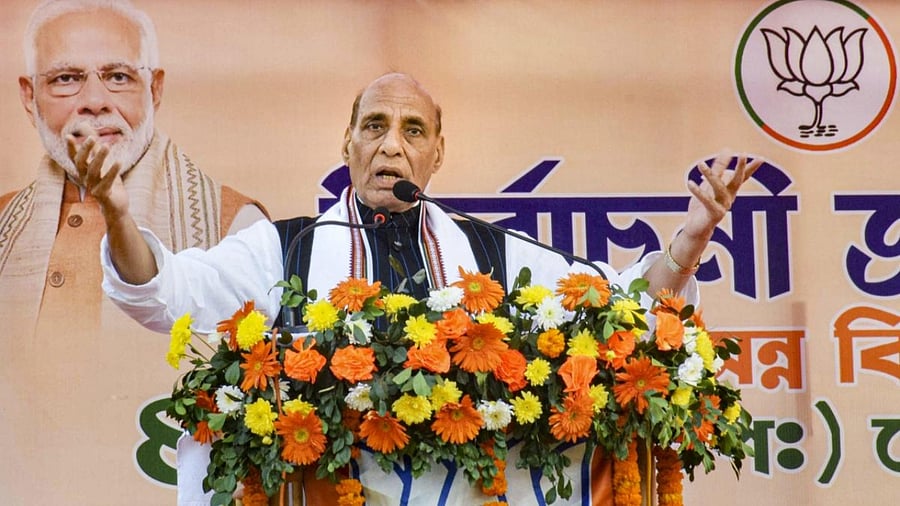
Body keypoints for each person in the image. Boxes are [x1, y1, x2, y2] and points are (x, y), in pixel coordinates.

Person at [90, 72, 761, 505]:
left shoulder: (493, 252)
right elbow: (164, 293)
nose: (391, 146)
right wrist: (120, 216)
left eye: (412, 130)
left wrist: (691, 239)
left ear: (437, 153)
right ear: (346, 143)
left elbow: (626, 305)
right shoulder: (285, 248)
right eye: (374, 126)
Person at [0, 1, 267, 504]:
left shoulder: (235, 225)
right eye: (66, 79)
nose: (95, 100)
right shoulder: (3, 225)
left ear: (156, 88)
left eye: (119, 77)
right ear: (29, 96)